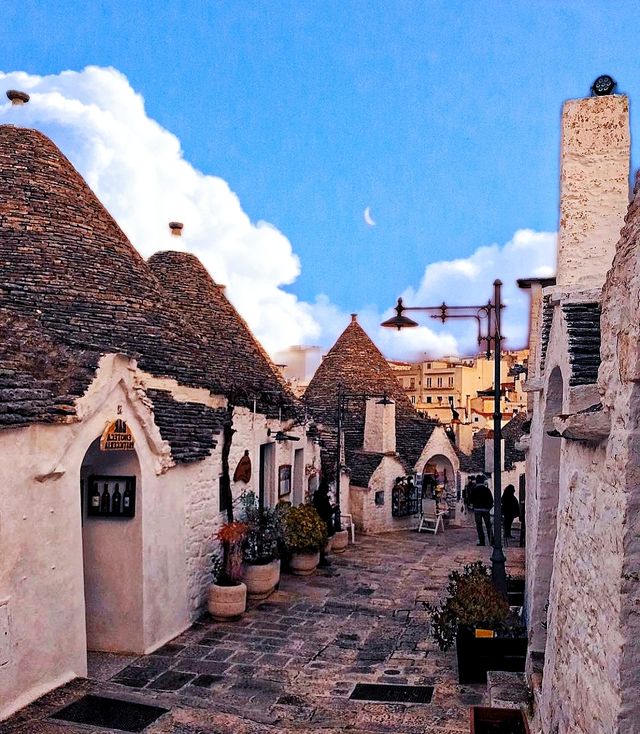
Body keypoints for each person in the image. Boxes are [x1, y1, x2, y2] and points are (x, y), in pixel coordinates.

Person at [313, 477, 335, 567]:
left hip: (321, 520)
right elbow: (327, 511)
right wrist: (335, 509)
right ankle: (321, 558)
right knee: (323, 540)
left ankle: (321, 558)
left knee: (323, 540)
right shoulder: (323, 498)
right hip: (324, 521)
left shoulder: (317, 497)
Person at [470, 480, 493, 546]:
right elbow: (491, 499)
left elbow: (471, 499)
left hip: (477, 509)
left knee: (479, 526)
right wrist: (489, 507)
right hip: (486, 509)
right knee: (488, 525)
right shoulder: (487, 490)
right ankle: (491, 541)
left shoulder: (474, 490)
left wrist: (473, 507)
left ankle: (482, 542)